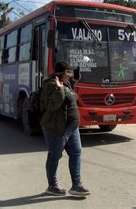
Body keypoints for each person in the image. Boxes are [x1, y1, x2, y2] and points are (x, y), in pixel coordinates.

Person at [40, 61, 90, 197]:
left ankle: (76, 185)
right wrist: (59, 89)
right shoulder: (51, 85)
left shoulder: (67, 83)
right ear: (60, 73)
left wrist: (74, 82)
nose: (71, 74)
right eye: (68, 72)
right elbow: (51, 106)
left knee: (76, 153)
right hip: (57, 127)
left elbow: (72, 97)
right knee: (55, 155)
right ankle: (52, 185)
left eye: (71, 71)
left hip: (72, 127)